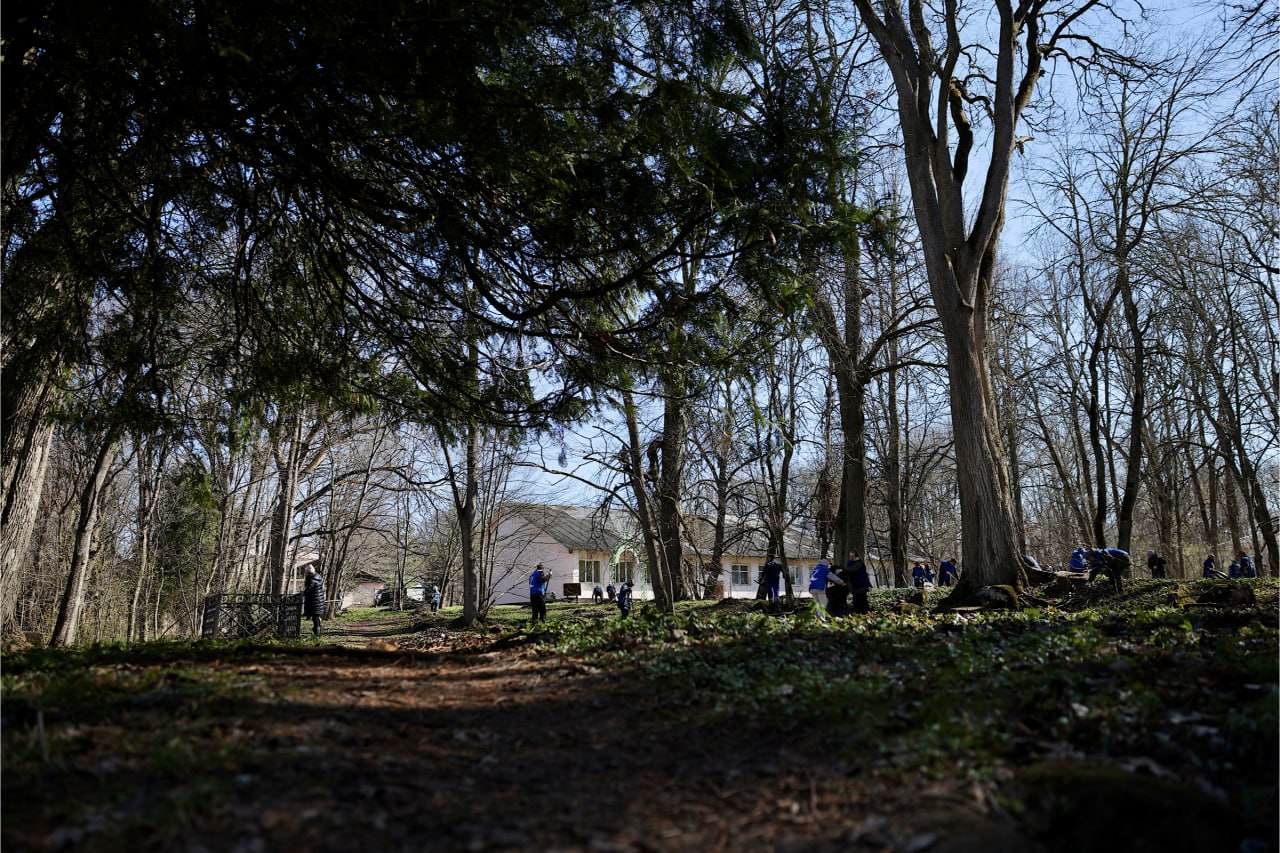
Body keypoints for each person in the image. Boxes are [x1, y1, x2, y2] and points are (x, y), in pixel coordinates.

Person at [847, 550, 872, 614]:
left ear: (856, 556)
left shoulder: (859, 563)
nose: (850, 557)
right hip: (856, 585)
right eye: (850, 556)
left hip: (861, 584)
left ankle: (864, 612)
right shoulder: (851, 563)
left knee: (862, 599)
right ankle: (858, 612)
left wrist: (844, 569)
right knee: (856, 599)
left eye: (852, 556)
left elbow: (851, 570)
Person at [302, 567, 325, 638]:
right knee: (316, 618)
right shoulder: (317, 578)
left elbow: (308, 590)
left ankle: (317, 634)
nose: (305, 574)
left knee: (315, 619)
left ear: (309, 573)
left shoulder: (312, 580)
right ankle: (317, 633)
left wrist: (302, 593)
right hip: (318, 602)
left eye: (306, 573)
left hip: (315, 603)